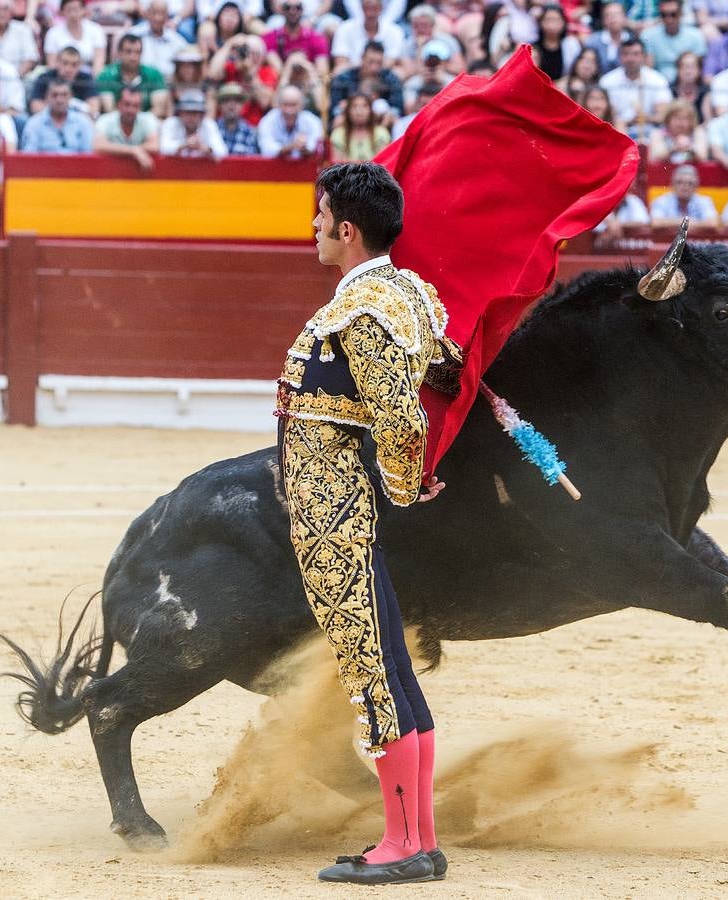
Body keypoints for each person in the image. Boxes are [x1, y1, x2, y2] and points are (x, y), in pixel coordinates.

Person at [277, 162, 458, 887]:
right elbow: (442, 365)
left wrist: (405, 485)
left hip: (334, 508)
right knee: (393, 673)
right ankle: (418, 836)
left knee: (372, 673)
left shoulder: (368, 306)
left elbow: (398, 411)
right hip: (341, 503)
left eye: (320, 216)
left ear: (346, 229)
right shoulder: (406, 292)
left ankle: (401, 844)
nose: (314, 227)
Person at [599, 36, 672, 132]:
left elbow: (664, 115)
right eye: (626, 54)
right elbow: (604, 115)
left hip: (650, 130)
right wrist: (627, 122)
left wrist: (646, 119)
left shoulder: (657, 80)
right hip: (616, 130)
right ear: (620, 57)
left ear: (644, 56)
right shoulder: (607, 81)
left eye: (635, 54)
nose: (630, 58)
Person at [330, 41, 404, 119]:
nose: (374, 68)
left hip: (382, 123)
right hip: (349, 123)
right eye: (371, 62)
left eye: (379, 63)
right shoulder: (344, 79)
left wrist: (388, 113)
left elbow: (397, 109)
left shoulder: (390, 79)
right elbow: (334, 111)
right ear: (362, 58)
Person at [94, 84, 161, 168]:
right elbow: (99, 146)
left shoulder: (148, 119)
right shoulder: (105, 120)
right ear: (118, 104)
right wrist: (134, 150)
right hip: (109, 173)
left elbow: (154, 146)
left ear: (140, 107)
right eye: (127, 104)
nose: (131, 110)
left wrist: (134, 150)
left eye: (136, 106)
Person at [21, 78, 95, 152]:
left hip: (76, 163)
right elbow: (29, 155)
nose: (59, 100)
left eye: (64, 95)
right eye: (54, 95)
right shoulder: (34, 124)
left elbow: (89, 153)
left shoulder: (83, 122)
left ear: (71, 97)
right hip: (44, 163)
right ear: (46, 97)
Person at [641, 0, 705, 83]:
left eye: (673, 14)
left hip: (687, 85)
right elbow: (647, 70)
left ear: (681, 13)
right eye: (664, 15)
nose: (669, 19)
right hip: (657, 85)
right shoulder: (647, 36)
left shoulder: (696, 35)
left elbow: (698, 69)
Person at [332, 0, 404, 70]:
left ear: (381, 8)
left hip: (381, 75)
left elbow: (391, 61)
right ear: (361, 7)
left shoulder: (395, 31)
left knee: (398, 72)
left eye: (374, 8)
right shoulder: (345, 28)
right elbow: (341, 61)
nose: (370, 13)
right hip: (354, 75)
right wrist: (365, 69)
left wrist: (371, 67)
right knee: (339, 70)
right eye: (367, 8)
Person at [263, 0, 330, 75]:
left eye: (297, 8)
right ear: (282, 10)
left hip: (309, 80)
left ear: (302, 10)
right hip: (283, 81)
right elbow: (277, 70)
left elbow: (322, 72)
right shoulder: (270, 38)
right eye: (288, 8)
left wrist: (303, 66)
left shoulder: (317, 38)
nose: (293, 11)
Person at [29, 45, 99, 116]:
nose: (68, 69)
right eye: (65, 63)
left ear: (80, 65)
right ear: (57, 62)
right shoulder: (45, 78)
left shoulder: (86, 79)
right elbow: (35, 107)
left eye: (74, 65)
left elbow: (93, 108)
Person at [161, 87, 229, 158]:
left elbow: (223, 151)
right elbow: (163, 148)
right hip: (174, 168)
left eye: (195, 113)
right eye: (187, 112)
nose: (190, 117)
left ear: (202, 115)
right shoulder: (171, 123)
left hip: (202, 169)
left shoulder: (208, 124)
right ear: (180, 113)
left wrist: (203, 147)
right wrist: (185, 144)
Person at [258, 83, 323, 158]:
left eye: (293, 105)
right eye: (285, 104)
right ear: (278, 105)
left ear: (302, 105)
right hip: (273, 168)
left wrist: (304, 148)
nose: (289, 110)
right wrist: (292, 146)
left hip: (304, 168)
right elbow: (267, 150)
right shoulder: (267, 121)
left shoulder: (313, 121)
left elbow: (317, 150)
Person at [648, 162, 718, 229]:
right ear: (672, 184)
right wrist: (693, 224)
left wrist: (673, 224)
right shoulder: (662, 201)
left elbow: (712, 223)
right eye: (679, 182)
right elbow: (656, 223)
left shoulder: (704, 201)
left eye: (689, 183)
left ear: (696, 186)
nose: (684, 187)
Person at [129, 0, 188, 79]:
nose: (158, 18)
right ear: (147, 13)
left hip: (168, 84)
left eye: (162, 14)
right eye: (154, 13)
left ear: (167, 16)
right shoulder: (132, 35)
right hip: (139, 83)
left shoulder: (178, 41)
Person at [45, 0, 108, 72]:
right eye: (69, 10)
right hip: (62, 76)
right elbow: (52, 65)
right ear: (62, 12)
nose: (73, 14)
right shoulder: (53, 33)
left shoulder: (96, 30)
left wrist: (93, 81)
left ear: (84, 10)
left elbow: (99, 62)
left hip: (89, 76)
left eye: (76, 10)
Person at [330, 91, 389, 160]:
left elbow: (384, 163)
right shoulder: (338, 134)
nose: (359, 111)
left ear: (371, 110)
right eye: (354, 106)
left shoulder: (381, 133)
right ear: (348, 111)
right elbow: (337, 165)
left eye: (365, 106)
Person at [649, 97, 707, 162]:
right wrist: (675, 147)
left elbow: (702, 156)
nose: (681, 123)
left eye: (686, 118)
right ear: (668, 119)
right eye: (677, 118)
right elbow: (657, 155)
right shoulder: (657, 133)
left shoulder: (698, 132)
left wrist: (689, 148)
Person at [584, 1, 635, 73]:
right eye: (608, 15)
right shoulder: (593, 41)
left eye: (616, 15)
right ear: (603, 20)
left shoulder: (633, 40)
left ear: (625, 18)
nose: (613, 19)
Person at [214, 81, 258, 154]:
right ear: (220, 105)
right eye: (227, 100)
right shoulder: (212, 129)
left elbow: (252, 163)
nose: (231, 105)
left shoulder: (250, 132)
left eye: (236, 101)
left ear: (242, 106)